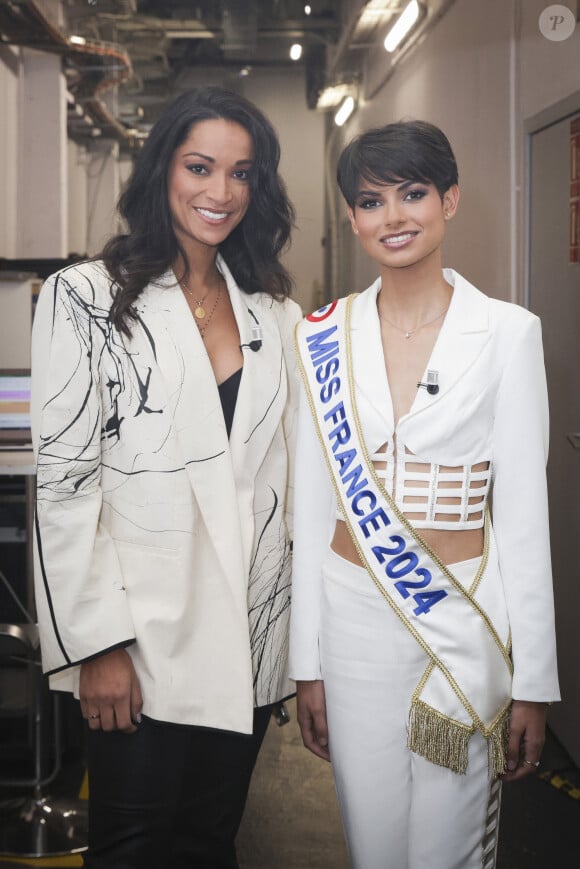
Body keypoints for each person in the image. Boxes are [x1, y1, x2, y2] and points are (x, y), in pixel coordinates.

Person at [31, 85, 301, 869]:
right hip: (140, 640)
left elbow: (280, 481)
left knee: (209, 844)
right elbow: (67, 488)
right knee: (130, 849)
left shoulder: (270, 313)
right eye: (200, 166)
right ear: (162, 171)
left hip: (246, 639)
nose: (221, 192)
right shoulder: (85, 297)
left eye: (242, 173)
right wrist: (97, 646)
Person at [289, 120, 560, 869]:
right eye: (372, 201)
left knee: (448, 846)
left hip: (460, 617)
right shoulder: (322, 335)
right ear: (350, 217)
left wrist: (533, 680)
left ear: (451, 200)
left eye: (413, 194)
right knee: (372, 841)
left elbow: (525, 518)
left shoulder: (508, 333)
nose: (394, 217)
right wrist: (304, 662)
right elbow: (313, 509)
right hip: (351, 617)